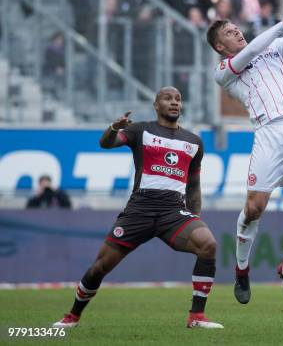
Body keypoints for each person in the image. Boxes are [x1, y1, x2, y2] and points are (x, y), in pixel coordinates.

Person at [53, 87, 222, 329]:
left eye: (178, 99)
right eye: (167, 98)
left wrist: (193, 217)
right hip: (140, 209)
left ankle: (196, 317)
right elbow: (106, 143)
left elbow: (193, 185)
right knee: (100, 267)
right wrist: (115, 127)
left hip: (173, 211)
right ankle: (73, 316)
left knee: (208, 244)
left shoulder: (194, 142)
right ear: (156, 105)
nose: (174, 103)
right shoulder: (140, 130)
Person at [207, 2, 283, 305]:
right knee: (254, 208)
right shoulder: (224, 71)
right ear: (221, 47)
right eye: (230, 33)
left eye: (237, 28)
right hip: (269, 132)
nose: (238, 33)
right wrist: (279, 25)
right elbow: (249, 52)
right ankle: (242, 269)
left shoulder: (272, 48)